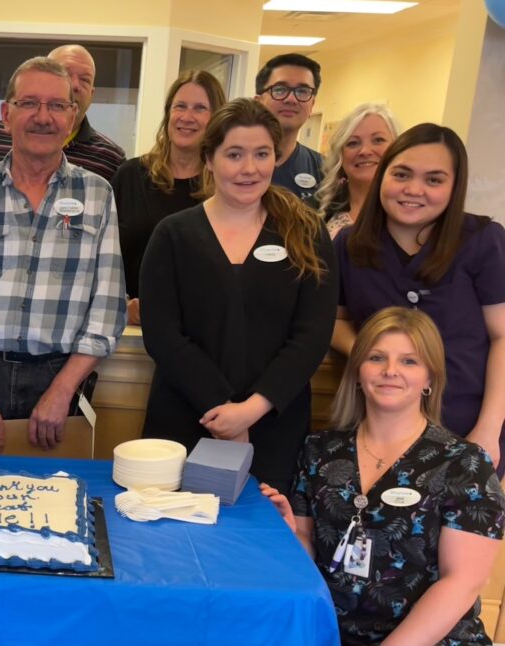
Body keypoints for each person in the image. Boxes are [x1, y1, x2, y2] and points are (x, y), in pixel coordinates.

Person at [262, 307, 503, 646]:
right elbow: (314, 559)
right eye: (377, 358)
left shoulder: (465, 464)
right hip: (330, 639)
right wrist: (289, 532)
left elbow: (461, 583)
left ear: (430, 377)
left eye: (409, 361)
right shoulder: (320, 450)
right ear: (358, 373)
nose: (391, 370)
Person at [0, 56, 126, 454]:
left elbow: (107, 309)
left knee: (58, 505)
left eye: (56, 106)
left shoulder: (98, 194)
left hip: (62, 378)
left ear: (72, 117)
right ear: (6, 114)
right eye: (30, 103)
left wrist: (62, 392)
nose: (43, 117)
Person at [139, 98, 337, 492]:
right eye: (234, 154)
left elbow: (311, 334)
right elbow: (162, 334)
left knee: (258, 542)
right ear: (209, 159)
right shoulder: (173, 234)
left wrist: (251, 410)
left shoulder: (307, 232)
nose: (249, 168)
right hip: (185, 418)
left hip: (273, 423)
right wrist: (222, 411)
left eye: (262, 154)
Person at [333, 123, 505, 475]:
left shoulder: (482, 240)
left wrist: (489, 429)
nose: (414, 190)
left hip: (466, 422)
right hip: (379, 424)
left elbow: (503, 336)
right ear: (382, 176)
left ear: (454, 187)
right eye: (402, 174)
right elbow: (334, 321)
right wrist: (374, 357)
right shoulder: (350, 245)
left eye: (434, 180)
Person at [111, 70, 226, 324]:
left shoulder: (225, 187)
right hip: (130, 328)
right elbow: (102, 256)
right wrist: (121, 304)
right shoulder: (128, 176)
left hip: (199, 329)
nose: (187, 117)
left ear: (216, 118)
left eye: (200, 108)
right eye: (180, 106)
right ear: (168, 114)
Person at [0, 44, 125, 181]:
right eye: (64, 73)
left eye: (85, 80)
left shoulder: (111, 159)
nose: (75, 85)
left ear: (92, 93)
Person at [315, 103, 398, 238]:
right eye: (353, 143)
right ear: (340, 154)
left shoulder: (411, 208)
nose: (365, 151)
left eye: (378, 140)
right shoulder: (315, 210)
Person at [255, 53, 323, 202]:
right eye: (280, 89)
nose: (291, 99)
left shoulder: (325, 171)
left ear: (312, 105)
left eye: (303, 91)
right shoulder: (227, 162)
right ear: (258, 101)